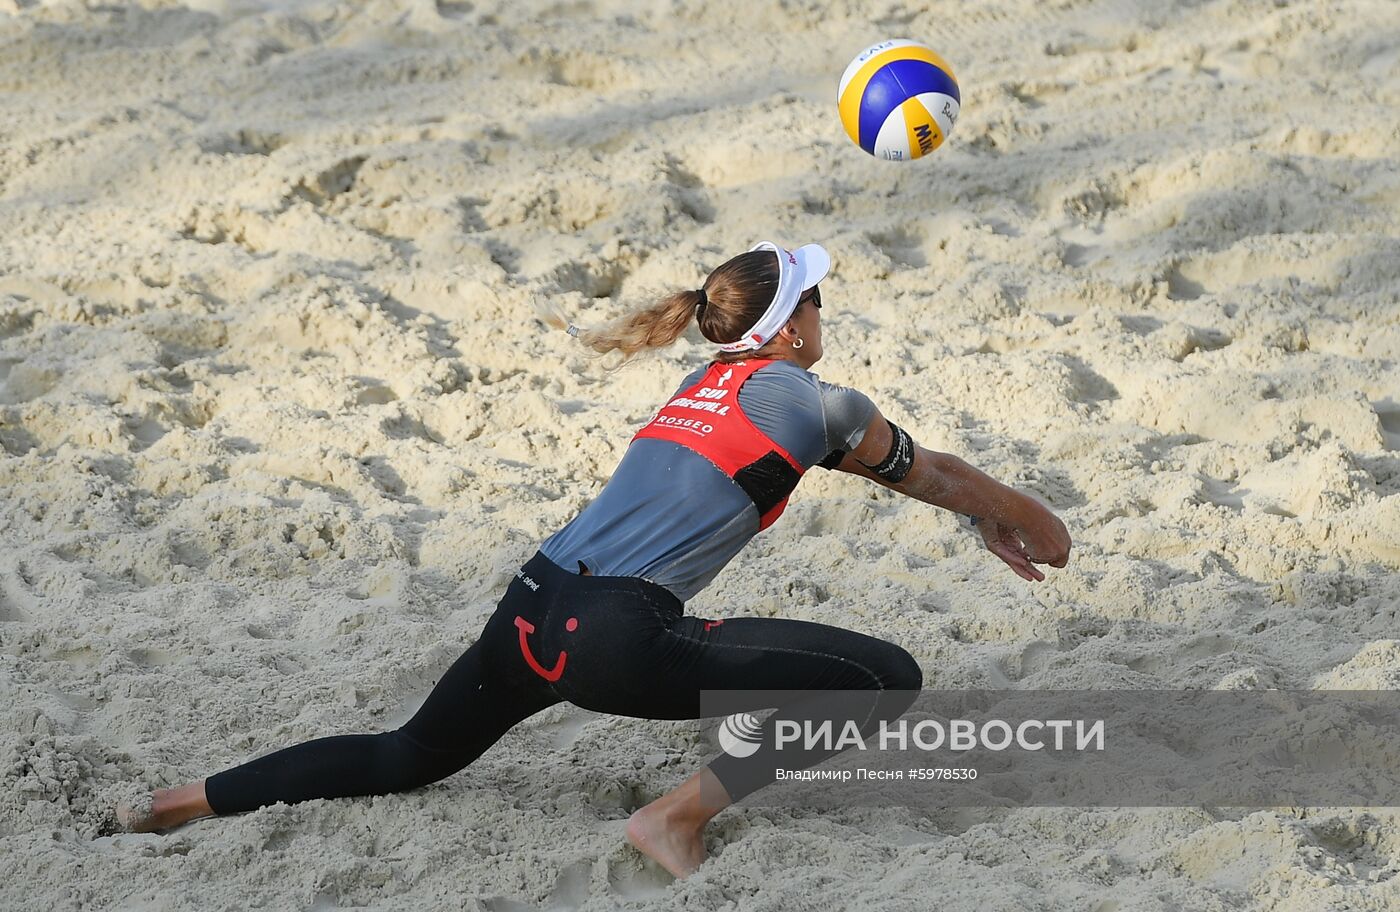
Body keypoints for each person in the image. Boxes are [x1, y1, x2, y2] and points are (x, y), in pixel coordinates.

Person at [117, 241, 1071, 878]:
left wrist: (987, 512)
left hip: (530, 605)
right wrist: (1021, 514)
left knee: (405, 754)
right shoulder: (817, 404)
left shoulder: (705, 383)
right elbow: (935, 474)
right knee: (877, 677)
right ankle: (673, 820)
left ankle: (179, 803)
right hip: (614, 633)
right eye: (817, 299)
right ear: (786, 328)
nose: (826, 312)